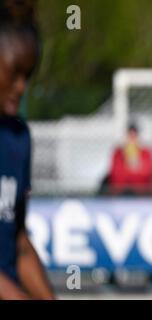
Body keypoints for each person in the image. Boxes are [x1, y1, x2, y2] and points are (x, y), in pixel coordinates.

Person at [0, 19, 54, 299]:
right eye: (14, 73)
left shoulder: (18, 137)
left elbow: (18, 242)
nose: (21, 87)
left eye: (28, 76)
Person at [104, 123, 152, 196]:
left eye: (134, 137)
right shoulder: (118, 153)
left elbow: (148, 176)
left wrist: (134, 166)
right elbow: (116, 177)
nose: (132, 140)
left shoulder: (146, 153)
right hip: (121, 194)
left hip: (141, 195)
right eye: (130, 136)